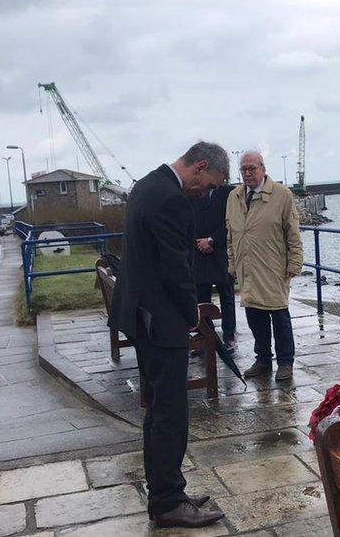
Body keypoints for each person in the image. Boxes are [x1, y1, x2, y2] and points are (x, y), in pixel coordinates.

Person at [107, 141, 229, 528]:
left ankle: (166, 490)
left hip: (141, 315)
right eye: (210, 184)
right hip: (160, 322)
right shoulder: (172, 199)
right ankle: (168, 503)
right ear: (200, 166)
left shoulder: (146, 185)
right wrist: (192, 311)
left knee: (158, 409)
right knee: (171, 413)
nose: (207, 192)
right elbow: (176, 266)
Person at [225, 151, 303, 382]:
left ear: (263, 168)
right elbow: (230, 234)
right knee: (254, 316)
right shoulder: (234, 197)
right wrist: (232, 263)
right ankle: (263, 359)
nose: (247, 173)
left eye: (252, 168)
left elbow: (293, 233)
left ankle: (285, 362)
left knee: (279, 316)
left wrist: (295, 263)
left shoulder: (282, 195)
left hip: (274, 266)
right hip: (246, 268)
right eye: (244, 169)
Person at [192, 183, 236, 351]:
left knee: (227, 296)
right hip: (198, 253)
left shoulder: (228, 192)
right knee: (200, 298)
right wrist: (199, 242)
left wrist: (212, 240)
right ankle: (204, 333)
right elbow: (185, 221)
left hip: (221, 252)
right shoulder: (191, 191)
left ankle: (229, 336)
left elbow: (232, 222)